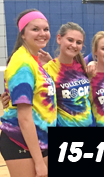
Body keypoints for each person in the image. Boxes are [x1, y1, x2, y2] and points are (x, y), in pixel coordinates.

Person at [0, 9, 56, 177]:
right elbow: (24, 118)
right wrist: (39, 163)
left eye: (45, 29)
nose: (42, 33)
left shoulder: (33, 59)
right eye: (35, 29)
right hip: (21, 141)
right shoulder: (23, 63)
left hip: (38, 140)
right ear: (23, 34)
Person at [43, 22, 94, 127]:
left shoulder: (82, 66)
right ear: (59, 39)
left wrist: (94, 63)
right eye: (70, 40)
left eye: (78, 42)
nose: (74, 45)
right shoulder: (47, 70)